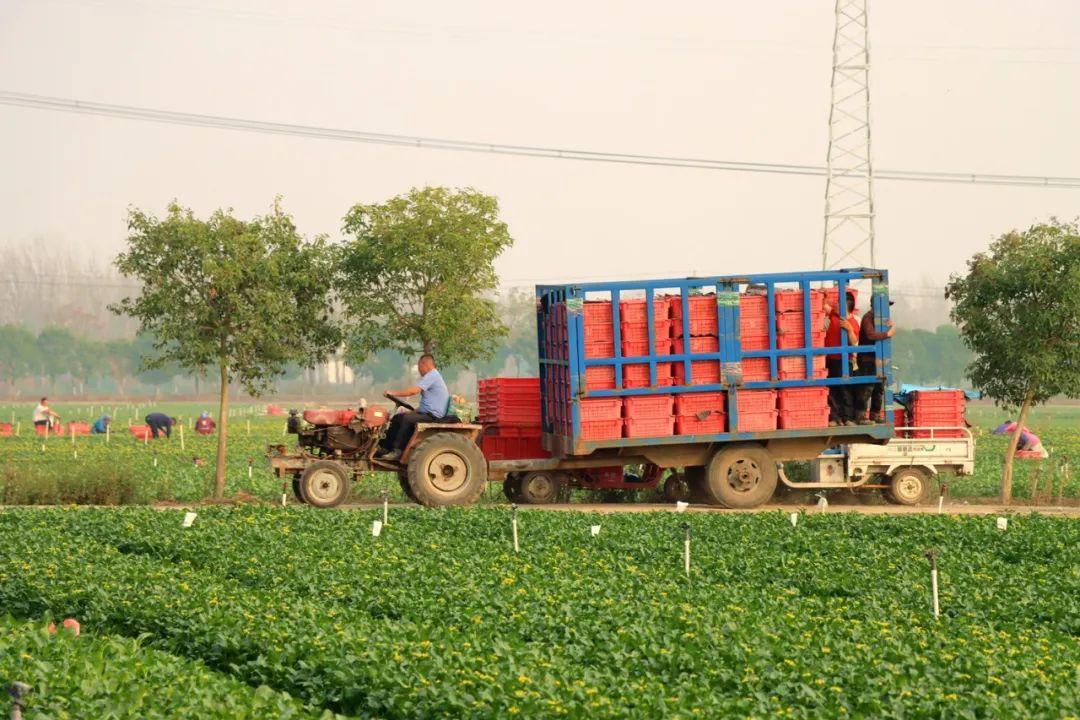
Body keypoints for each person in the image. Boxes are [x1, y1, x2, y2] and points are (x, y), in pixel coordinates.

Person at [376, 354, 451, 461]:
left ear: (424, 364)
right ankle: (384, 448)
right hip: (426, 413)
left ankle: (397, 451)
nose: (419, 370)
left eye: (419, 367)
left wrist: (393, 393)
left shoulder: (432, 375)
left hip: (433, 416)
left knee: (407, 419)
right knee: (398, 417)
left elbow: (413, 391)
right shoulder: (433, 376)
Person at [824, 293, 862, 426]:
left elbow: (855, 342)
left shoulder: (853, 322)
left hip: (845, 360)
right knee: (831, 389)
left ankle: (848, 418)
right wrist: (823, 295)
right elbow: (824, 306)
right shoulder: (834, 315)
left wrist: (849, 330)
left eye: (840, 302)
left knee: (845, 389)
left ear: (847, 305)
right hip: (829, 358)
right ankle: (834, 418)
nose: (837, 304)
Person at [856, 303, 896, 422]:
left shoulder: (882, 320)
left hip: (879, 360)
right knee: (867, 387)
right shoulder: (867, 318)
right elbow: (870, 335)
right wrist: (888, 334)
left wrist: (890, 326)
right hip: (867, 359)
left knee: (879, 388)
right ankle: (861, 415)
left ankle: (875, 414)